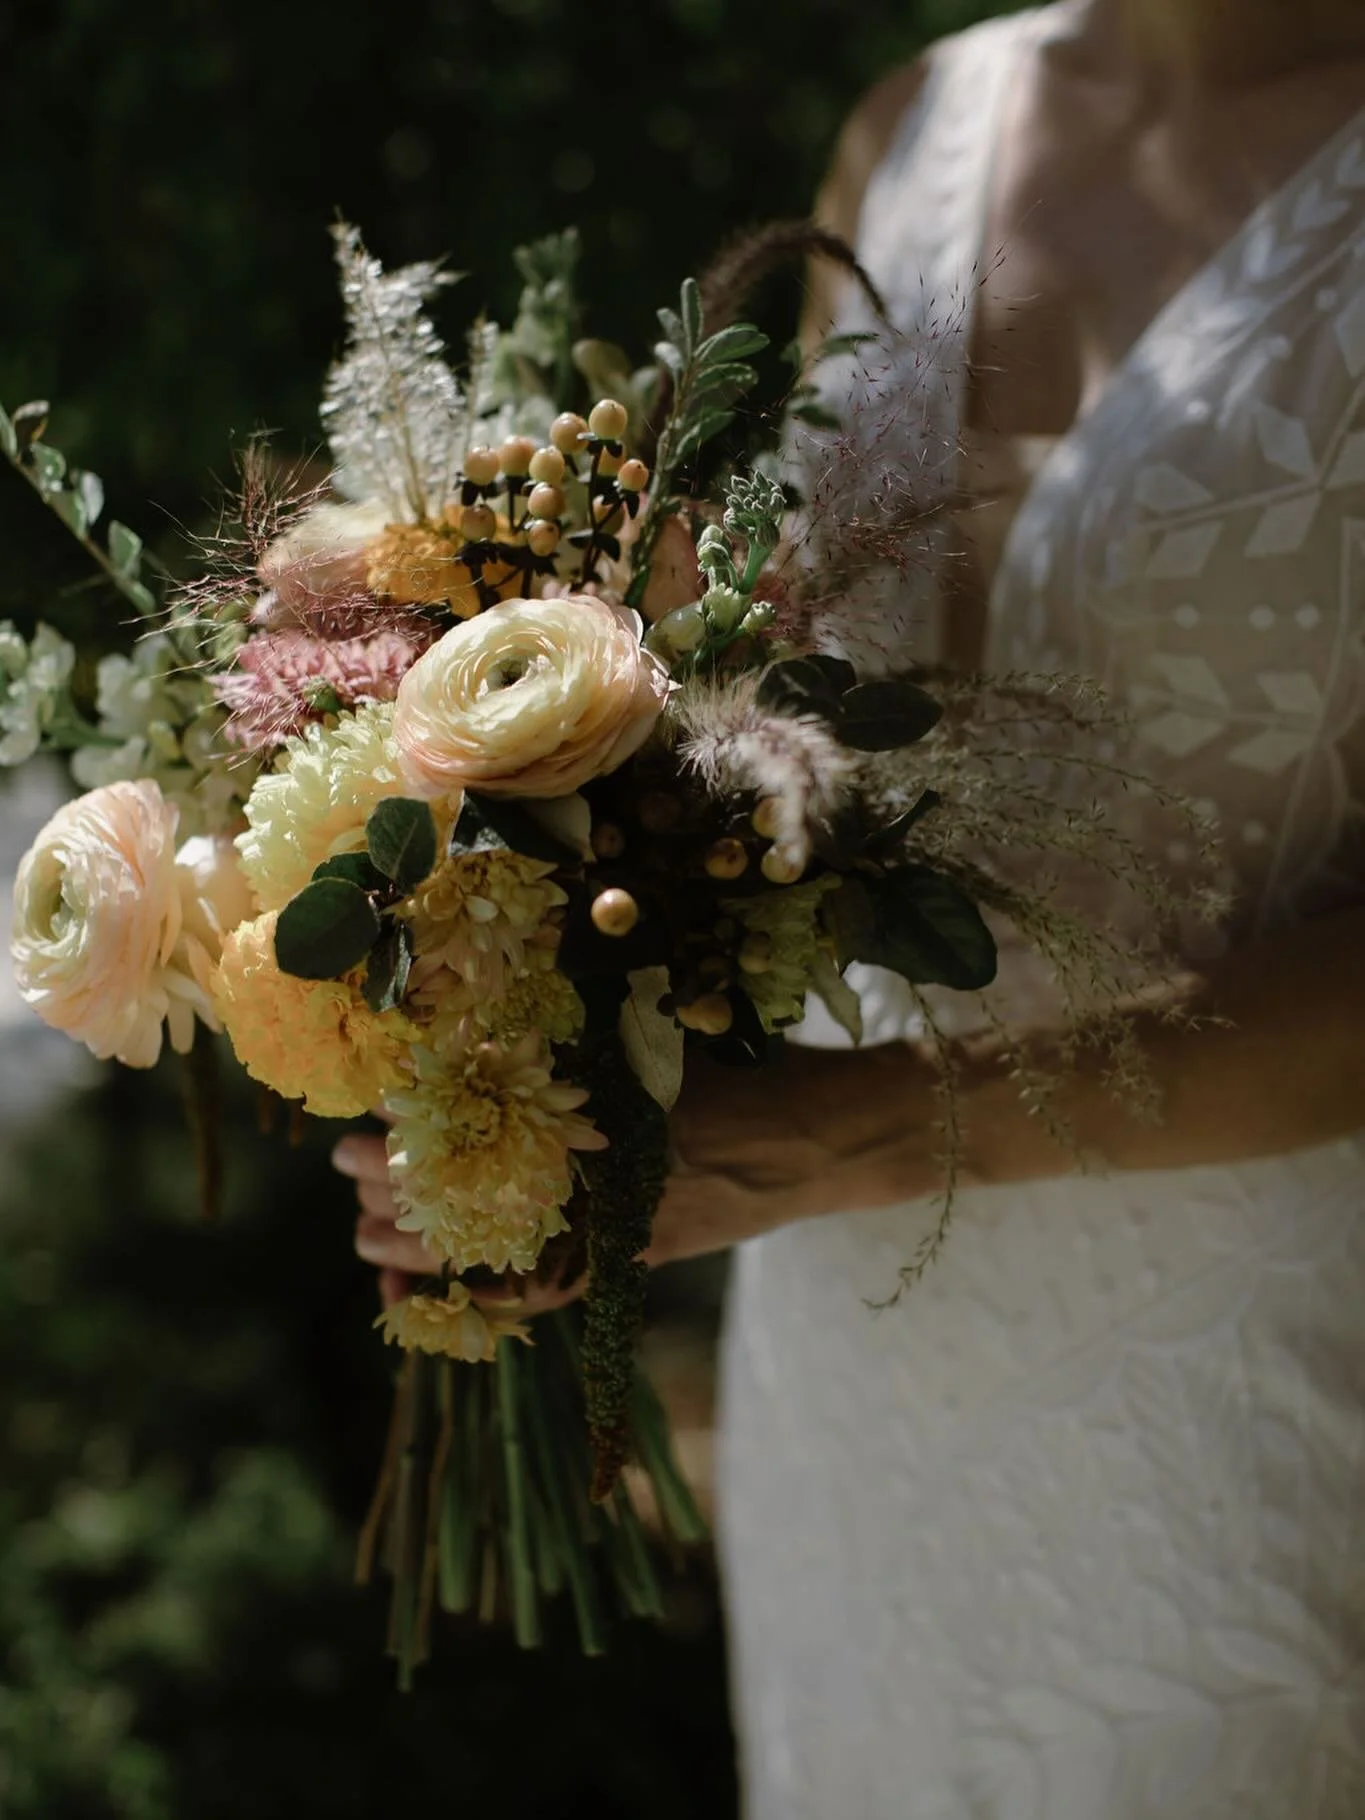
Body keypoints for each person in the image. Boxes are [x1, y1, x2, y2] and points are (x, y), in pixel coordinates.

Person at [334, 1, 1365, 1810]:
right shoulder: (919, 123)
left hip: (1250, 1387)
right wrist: (511, 982)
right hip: (854, 1383)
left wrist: (838, 1145)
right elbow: (778, 700)